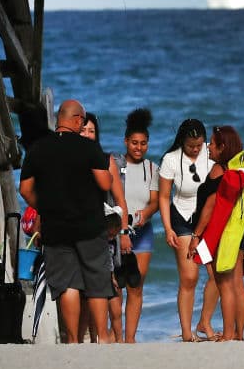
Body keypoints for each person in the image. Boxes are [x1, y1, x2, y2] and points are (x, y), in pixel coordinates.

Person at [18, 100, 117, 343]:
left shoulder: (39, 149)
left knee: (68, 285)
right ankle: (102, 338)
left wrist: (43, 205)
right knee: (96, 283)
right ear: (76, 120)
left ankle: (72, 340)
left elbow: (25, 189)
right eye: (82, 122)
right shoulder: (88, 148)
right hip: (90, 227)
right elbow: (105, 183)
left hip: (56, 228)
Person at [188, 125, 244, 341]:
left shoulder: (220, 171)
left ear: (222, 147)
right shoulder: (239, 168)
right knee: (237, 284)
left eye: (213, 144)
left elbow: (210, 206)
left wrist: (196, 236)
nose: (208, 147)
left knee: (224, 283)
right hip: (241, 229)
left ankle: (227, 335)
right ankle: (238, 334)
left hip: (223, 232)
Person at [158, 118, 219, 342]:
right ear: (182, 141)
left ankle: (205, 322)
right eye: (191, 145)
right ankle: (186, 333)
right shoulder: (171, 160)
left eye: (199, 145)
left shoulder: (209, 153)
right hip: (182, 218)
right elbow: (164, 197)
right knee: (189, 276)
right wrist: (167, 228)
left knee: (217, 275)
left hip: (207, 218)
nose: (196, 149)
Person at [79, 112, 131, 342]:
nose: (88, 135)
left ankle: (115, 336)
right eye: (83, 130)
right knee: (83, 289)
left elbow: (120, 200)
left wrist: (124, 232)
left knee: (109, 286)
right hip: (77, 231)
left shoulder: (106, 160)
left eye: (92, 131)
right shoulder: (70, 160)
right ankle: (91, 337)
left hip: (104, 232)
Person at [111, 108, 160, 343]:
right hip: (117, 231)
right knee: (116, 285)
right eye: (134, 143)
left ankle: (130, 339)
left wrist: (146, 213)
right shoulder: (115, 164)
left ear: (148, 144)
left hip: (143, 233)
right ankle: (115, 335)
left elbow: (155, 202)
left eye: (142, 143)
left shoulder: (152, 168)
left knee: (136, 286)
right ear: (126, 142)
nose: (138, 147)